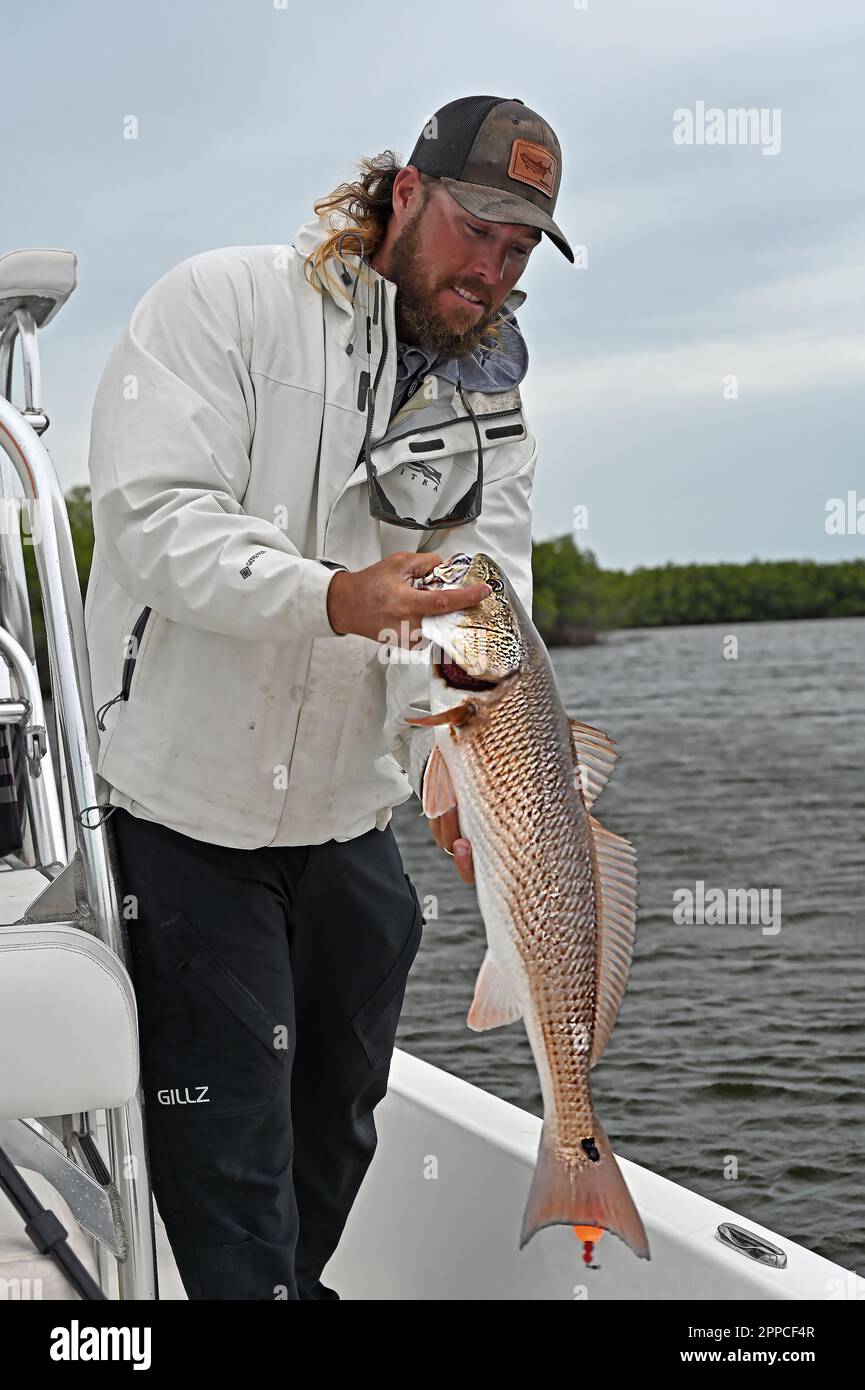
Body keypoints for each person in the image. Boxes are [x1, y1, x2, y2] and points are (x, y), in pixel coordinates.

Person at [83, 94, 574, 1300]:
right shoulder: (225, 303)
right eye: (478, 229)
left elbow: (479, 600)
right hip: (187, 810)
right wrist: (333, 598)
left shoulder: (492, 391)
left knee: (340, 1119)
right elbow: (154, 525)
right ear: (403, 194)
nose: (494, 270)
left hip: (348, 815)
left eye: (519, 249)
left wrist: (460, 758)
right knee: (229, 1142)